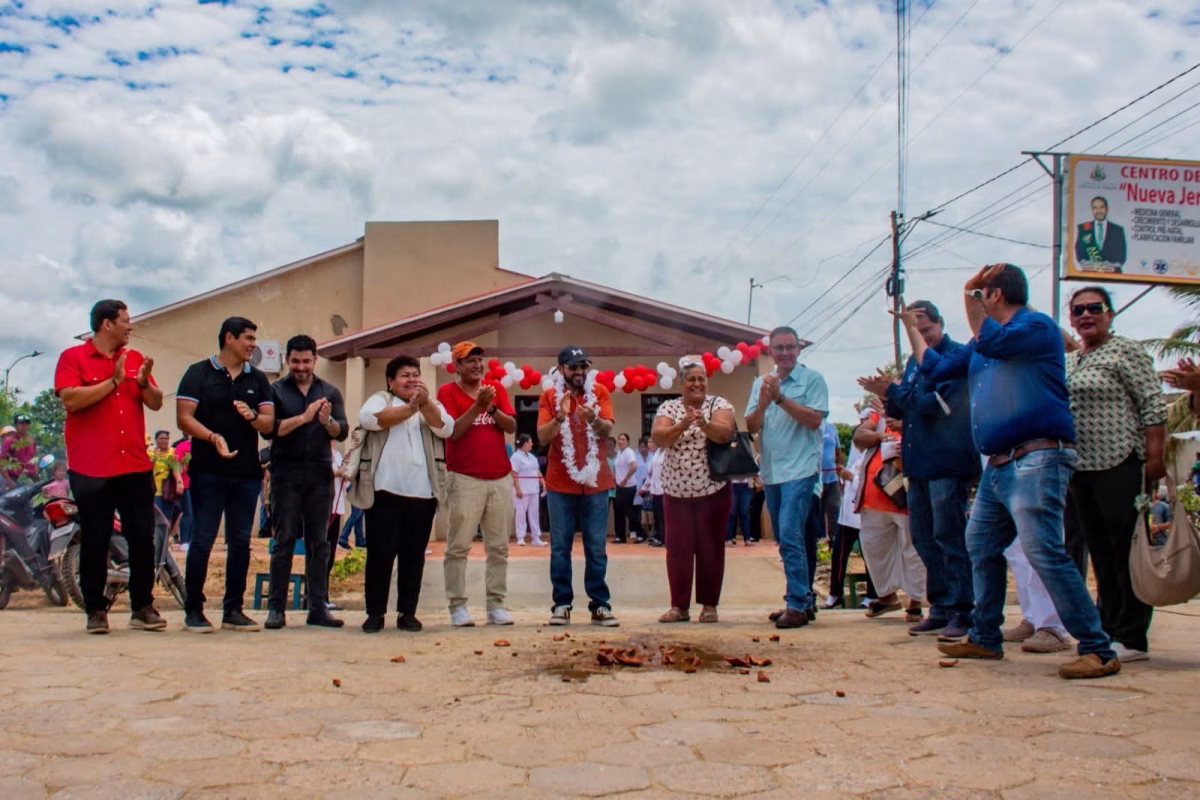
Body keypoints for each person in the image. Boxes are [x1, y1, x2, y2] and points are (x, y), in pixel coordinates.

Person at [900, 263, 1120, 679]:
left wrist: (970, 295)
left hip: (1037, 456)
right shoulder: (985, 343)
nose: (975, 302)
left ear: (994, 295)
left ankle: (1097, 647)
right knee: (980, 546)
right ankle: (985, 637)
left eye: (981, 295)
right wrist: (912, 329)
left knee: (1044, 552)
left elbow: (995, 342)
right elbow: (934, 367)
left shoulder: (1036, 327)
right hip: (1000, 464)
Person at [858, 299, 978, 640]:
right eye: (916, 332)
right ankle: (939, 607)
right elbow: (906, 403)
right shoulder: (913, 362)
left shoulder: (955, 357)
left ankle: (962, 611)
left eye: (925, 330)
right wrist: (887, 394)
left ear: (939, 325)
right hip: (918, 462)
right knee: (925, 538)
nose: (921, 338)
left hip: (948, 461)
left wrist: (896, 391)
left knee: (949, 537)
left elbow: (935, 405)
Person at [1065, 286, 1166, 662]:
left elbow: (1153, 405)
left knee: (1127, 549)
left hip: (1121, 461)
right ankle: (1107, 627)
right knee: (1101, 554)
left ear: (1110, 313)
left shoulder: (1126, 350)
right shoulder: (1073, 360)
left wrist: (1153, 459)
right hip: (1082, 468)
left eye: (1094, 308)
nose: (1086, 315)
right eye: (1078, 310)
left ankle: (1133, 635)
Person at [54, 299, 166, 634]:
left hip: (133, 463)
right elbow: (71, 399)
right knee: (96, 538)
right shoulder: (72, 358)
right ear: (106, 324)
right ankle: (96, 611)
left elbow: (157, 402)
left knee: (142, 538)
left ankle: (142, 607)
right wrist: (113, 382)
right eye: (125, 321)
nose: (130, 326)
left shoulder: (133, 359)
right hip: (91, 467)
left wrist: (143, 382)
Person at [176, 316, 275, 634]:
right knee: (203, 540)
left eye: (254, 338)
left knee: (240, 541)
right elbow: (184, 418)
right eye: (247, 338)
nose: (253, 344)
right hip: (207, 472)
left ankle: (234, 609)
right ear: (229, 338)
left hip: (246, 474)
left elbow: (269, 425)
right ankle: (194, 609)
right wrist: (212, 438)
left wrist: (253, 418)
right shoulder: (198, 373)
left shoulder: (258, 379)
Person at [357, 356, 453, 633]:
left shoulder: (429, 404)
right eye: (404, 375)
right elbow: (370, 420)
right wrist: (410, 409)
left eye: (415, 374)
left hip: (422, 493)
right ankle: (375, 613)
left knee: (413, 555)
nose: (411, 379)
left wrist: (423, 405)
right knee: (380, 553)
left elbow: (445, 427)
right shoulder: (380, 400)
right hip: (384, 491)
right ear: (390, 381)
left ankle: (407, 612)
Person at [262, 334, 348, 630]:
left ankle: (317, 608)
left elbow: (342, 432)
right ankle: (276, 609)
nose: (301, 367)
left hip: (320, 476)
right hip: (286, 475)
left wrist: (326, 422)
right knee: (283, 542)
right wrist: (305, 417)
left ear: (315, 359)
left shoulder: (330, 391)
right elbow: (269, 430)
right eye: (295, 361)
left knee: (319, 544)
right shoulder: (274, 390)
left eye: (306, 361)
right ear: (287, 359)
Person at [746, 326, 829, 630]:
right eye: (779, 348)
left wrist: (780, 399)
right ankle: (803, 601)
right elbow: (752, 425)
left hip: (801, 469)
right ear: (770, 352)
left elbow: (815, 419)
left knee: (791, 532)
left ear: (799, 349)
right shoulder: (760, 384)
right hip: (772, 470)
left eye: (790, 347)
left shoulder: (813, 380)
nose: (785, 353)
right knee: (785, 538)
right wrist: (765, 402)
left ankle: (795, 602)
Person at [537, 346, 619, 627]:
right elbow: (543, 437)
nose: (579, 372)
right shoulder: (549, 396)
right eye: (573, 367)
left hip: (596, 484)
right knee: (560, 547)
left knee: (596, 546)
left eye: (583, 366)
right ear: (561, 369)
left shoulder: (600, 393)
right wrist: (559, 417)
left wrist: (592, 418)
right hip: (560, 484)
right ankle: (561, 604)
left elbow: (608, 430)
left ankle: (600, 604)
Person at [437, 341, 517, 627]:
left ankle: (496, 605)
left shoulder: (497, 389)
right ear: (456, 366)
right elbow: (453, 432)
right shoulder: (446, 392)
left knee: (498, 547)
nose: (477, 365)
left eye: (479, 359)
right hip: (464, 478)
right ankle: (457, 606)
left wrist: (491, 408)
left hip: (499, 478)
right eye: (469, 360)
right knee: (458, 546)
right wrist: (477, 406)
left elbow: (511, 427)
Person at [652, 360, 736, 623]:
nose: (697, 384)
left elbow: (725, 433)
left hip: (713, 489)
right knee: (677, 549)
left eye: (701, 379)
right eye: (691, 379)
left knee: (711, 547)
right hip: (676, 492)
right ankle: (679, 606)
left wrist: (705, 424)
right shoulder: (669, 407)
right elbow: (659, 437)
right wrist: (682, 424)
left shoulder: (719, 404)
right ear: (682, 383)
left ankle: (709, 605)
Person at [851, 408, 926, 622]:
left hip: (907, 495)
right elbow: (859, 437)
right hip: (874, 497)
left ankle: (915, 602)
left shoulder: (916, 409)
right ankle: (886, 596)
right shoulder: (879, 414)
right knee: (874, 547)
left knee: (912, 549)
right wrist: (884, 436)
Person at [827, 407, 879, 609]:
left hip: (867, 511)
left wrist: (852, 478)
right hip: (848, 513)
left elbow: (874, 480)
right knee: (839, 552)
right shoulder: (858, 447)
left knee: (870, 555)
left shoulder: (878, 447)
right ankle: (835, 593)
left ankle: (873, 596)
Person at [510, 433, 546, 546]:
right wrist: (517, 488)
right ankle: (520, 537)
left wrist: (544, 483)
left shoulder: (532, 457)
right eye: (530, 442)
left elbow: (537, 471)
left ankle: (536, 537)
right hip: (522, 490)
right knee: (520, 514)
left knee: (534, 514)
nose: (532, 444)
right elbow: (514, 473)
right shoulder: (516, 457)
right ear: (525, 443)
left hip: (533, 489)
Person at [1074, 196, 1127, 270]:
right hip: (1089, 275)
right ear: (1092, 210)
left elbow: (1121, 256)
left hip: (1113, 275)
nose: (1099, 211)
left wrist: (1108, 265)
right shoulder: (1083, 228)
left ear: (1107, 209)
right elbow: (1079, 251)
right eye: (1095, 208)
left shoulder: (1118, 230)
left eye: (1101, 207)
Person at [613, 433, 646, 544]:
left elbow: (634, 466)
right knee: (618, 511)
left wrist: (625, 479)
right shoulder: (619, 453)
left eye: (623, 439)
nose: (620, 441)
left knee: (629, 511)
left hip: (628, 486)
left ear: (627, 442)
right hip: (619, 486)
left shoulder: (629, 452)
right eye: (619, 439)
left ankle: (641, 534)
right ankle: (620, 536)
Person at [149, 430, 183, 529]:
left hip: (168, 489)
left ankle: (166, 540)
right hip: (155, 489)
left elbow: (176, 468)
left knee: (168, 515)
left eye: (166, 438)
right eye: (161, 438)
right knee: (158, 516)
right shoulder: (151, 452)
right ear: (156, 440)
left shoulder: (172, 452)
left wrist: (179, 482)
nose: (164, 441)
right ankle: (157, 539)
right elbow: (148, 469)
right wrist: (155, 457)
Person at [818, 420, 843, 541]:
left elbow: (838, 451)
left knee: (835, 508)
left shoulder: (832, 428)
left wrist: (840, 465)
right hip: (815, 479)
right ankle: (819, 541)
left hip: (832, 478)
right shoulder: (809, 425)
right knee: (817, 512)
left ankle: (834, 542)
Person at [1, 413, 38, 488]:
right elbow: (2, 463)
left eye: (26, 424)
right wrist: (9, 481)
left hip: (29, 479)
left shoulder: (31, 440)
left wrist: (36, 474)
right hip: (13, 479)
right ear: (16, 425)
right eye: (21, 424)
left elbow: (34, 459)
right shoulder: (9, 441)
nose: (24, 426)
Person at [641, 440, 666, 547]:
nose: (649, 444)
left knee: (663, 516)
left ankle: (664, 538)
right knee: (656, 515)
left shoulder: (667, 452)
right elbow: (650, 474)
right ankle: (659, 537)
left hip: (664, 489)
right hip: (655, 490)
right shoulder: (655, 454)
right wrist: (645, 488)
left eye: (652, 442)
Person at [172, 435, 193, 550]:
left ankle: (191, 540)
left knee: (196, 513)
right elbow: (176, 465)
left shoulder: (206, 447)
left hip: (200, 485)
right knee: (188, 512)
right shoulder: (182, 447)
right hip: (186, 484)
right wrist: (179, 481)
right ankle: (184, 540)